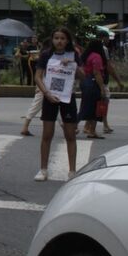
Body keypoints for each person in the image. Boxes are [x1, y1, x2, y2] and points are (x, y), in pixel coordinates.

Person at [33, 27, 85, 181]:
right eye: (56, 38)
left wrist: (73, 64)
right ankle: (43, 169)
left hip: (68, 98)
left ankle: (72, 171)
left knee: (70, 135)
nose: (59, 41)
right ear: (52, 39)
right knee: (47, 134)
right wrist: (47, 93)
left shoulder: (74, 54)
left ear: (67, 40)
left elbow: (83, 76)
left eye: (63, 38)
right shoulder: (46, 55)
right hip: (50, 98)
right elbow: (38, 77)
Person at [78, 36, 110, 140]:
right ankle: (80, 128)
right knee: (94, 107)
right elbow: (97, 73)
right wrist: (102, 88)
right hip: (93, 83)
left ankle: (91, 130)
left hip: (85, 82)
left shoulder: (86, 56)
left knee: (87, 106)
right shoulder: (97, 57)